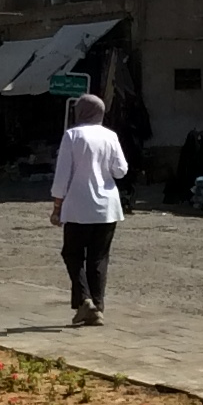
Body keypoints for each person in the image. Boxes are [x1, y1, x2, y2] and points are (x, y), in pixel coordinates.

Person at [50, 92, 131, 327]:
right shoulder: (110, 136)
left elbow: (62, 173)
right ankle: (98, 306)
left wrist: (57, 206)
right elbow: (121, 170)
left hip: (78, 206)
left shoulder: (72, 135)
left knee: (72, 254)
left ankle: (85, 299)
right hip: (107, 207)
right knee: (99, 258)